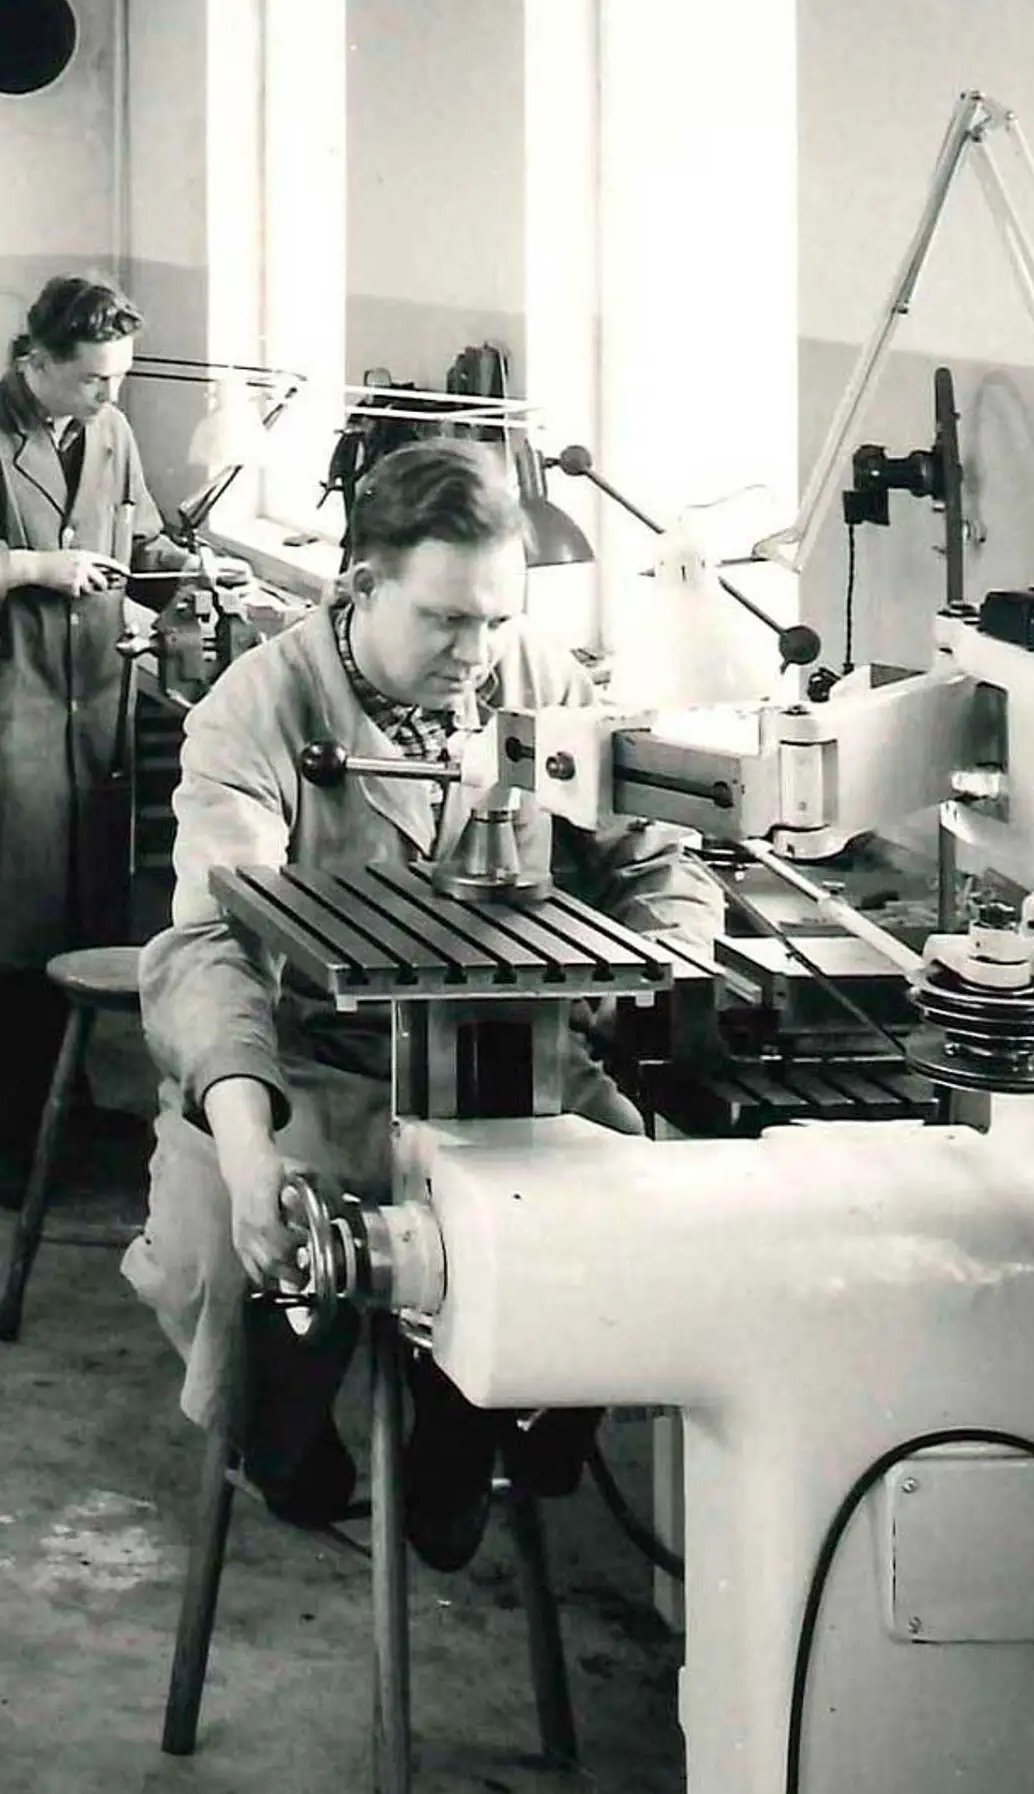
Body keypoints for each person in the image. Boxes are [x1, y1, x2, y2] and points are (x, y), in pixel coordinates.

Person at [129, 437, 721, 1570]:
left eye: (496, 619)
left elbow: (664, 861)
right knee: (224, 1250)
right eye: (447, 620)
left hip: (513, 1063)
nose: (477, 652)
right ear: (360, 584)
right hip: (312, 1061)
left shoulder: (539, 681)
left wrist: (650, 972)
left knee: (632, 1203)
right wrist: (250, 1150)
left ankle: (487, 1423)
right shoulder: (255, 708)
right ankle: (286, 1442)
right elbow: (215, 948)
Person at [0, 274, 206, 1206]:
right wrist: (33, 566)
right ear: (37, 363)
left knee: (73, 921)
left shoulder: (112, 433)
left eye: (120, 378)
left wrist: (191, 567)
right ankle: (7, 1149)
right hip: (6, 715)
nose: (111, 396)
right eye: (94, 380)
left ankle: (67, 1110)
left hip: (88, 710)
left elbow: (135, 538)